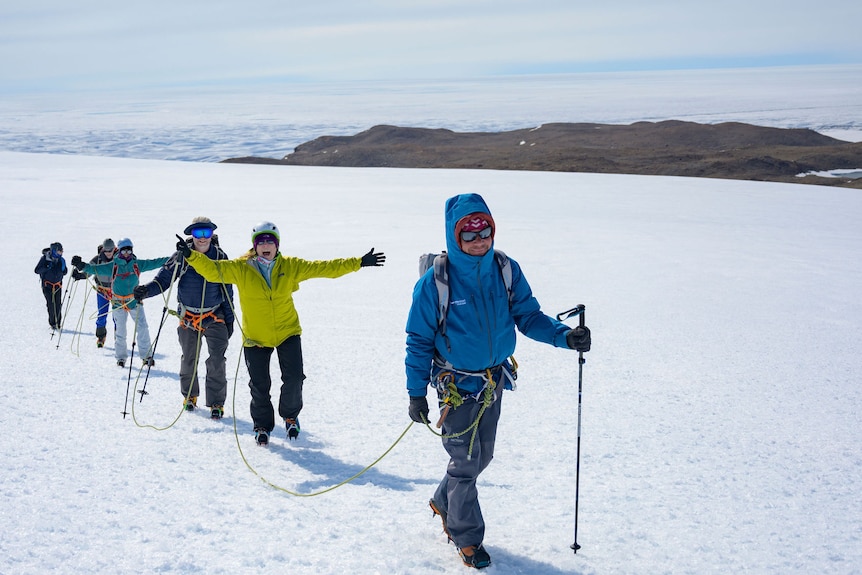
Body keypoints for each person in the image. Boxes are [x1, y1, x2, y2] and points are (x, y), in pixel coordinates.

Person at [404, 193, 591, 569]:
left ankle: (445, 502)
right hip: (455, 386)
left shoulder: (505, 269)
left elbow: (529, 315)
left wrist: (564, 336)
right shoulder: (435, 283)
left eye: (484, 229)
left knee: (479, 457)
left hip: (492, 381)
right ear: (454, 237)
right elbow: (419, 339)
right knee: (465, 462)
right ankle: (466, 537)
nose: (479, 240)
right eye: (468, 234)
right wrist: (416, 393)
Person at [178, 221, 385, 446]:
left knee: (294, 379)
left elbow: (324, 268)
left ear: (277, 245)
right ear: (254, 246)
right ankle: (262, 426)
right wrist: (190, 255)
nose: (266, 245)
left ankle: (290, 415)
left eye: (270, 241)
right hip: (255, 337)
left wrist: (358, 262)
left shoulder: (291, 266)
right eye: (261, 242)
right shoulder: (240, 268)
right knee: (259, 385)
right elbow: (212, 270)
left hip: (288, 332)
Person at [134, 217, 235, 418]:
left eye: (206, 232)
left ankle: (216, 403)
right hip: (188, 317)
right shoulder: (181, 257)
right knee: (189, 359)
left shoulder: (221, 257)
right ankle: (190, 395)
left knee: (216, 360)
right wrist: (146, 291)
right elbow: (163, 280)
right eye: (198, 233)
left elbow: (228, 292)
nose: (203, 238)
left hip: (215, 316)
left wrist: (230, 320)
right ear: (191, 235)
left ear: (212, 234)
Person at [71, 238, 169, 368]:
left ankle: (147, 357)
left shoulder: (137, 264)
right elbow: (95, 269)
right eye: (124, 250)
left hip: (134, 302)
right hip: (118, 304)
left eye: (129, 250)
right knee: (121, 332)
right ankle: (121, 358)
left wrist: (173, 258)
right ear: (120, 251)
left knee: (143, 328)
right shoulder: (113, 266)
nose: (127, 253)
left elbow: (155, 262)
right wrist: (81, 266)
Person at [72, 238, 117, 347]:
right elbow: (88, 271)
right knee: (102, 314)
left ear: (114, 249)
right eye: (106, 251)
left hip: (116, 291)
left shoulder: (119, 260)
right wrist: (80, 275)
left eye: (110, 251)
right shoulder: (97, 260)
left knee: (117, 316)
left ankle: (119, 338)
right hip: (102, 291)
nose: (108, 253)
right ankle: (101, 337)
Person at [34, 242, 68, 330]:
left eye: (61, 251)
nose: (61, 253)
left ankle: (58, 323)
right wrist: (47, 267)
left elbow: (64, 272)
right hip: (47, 286)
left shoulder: (61, 260)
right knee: (51, 304)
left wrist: (63, 268)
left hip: (57, 285)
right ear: (54, 251)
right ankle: (52, 323)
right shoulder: (45, 259)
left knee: (58, 305)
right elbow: (37, 270)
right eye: (59, 251)